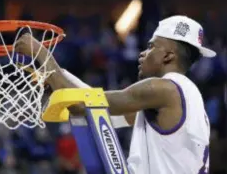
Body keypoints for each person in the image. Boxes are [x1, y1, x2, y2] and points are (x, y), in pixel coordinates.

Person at [15, 15, 216, 174]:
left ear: (168, 55)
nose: (142, 53)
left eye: (151, 46)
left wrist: (41, 54)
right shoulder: (186, 97)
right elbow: (97, 109)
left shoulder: (163, 89)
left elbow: (85, 105)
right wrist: (58, 75)